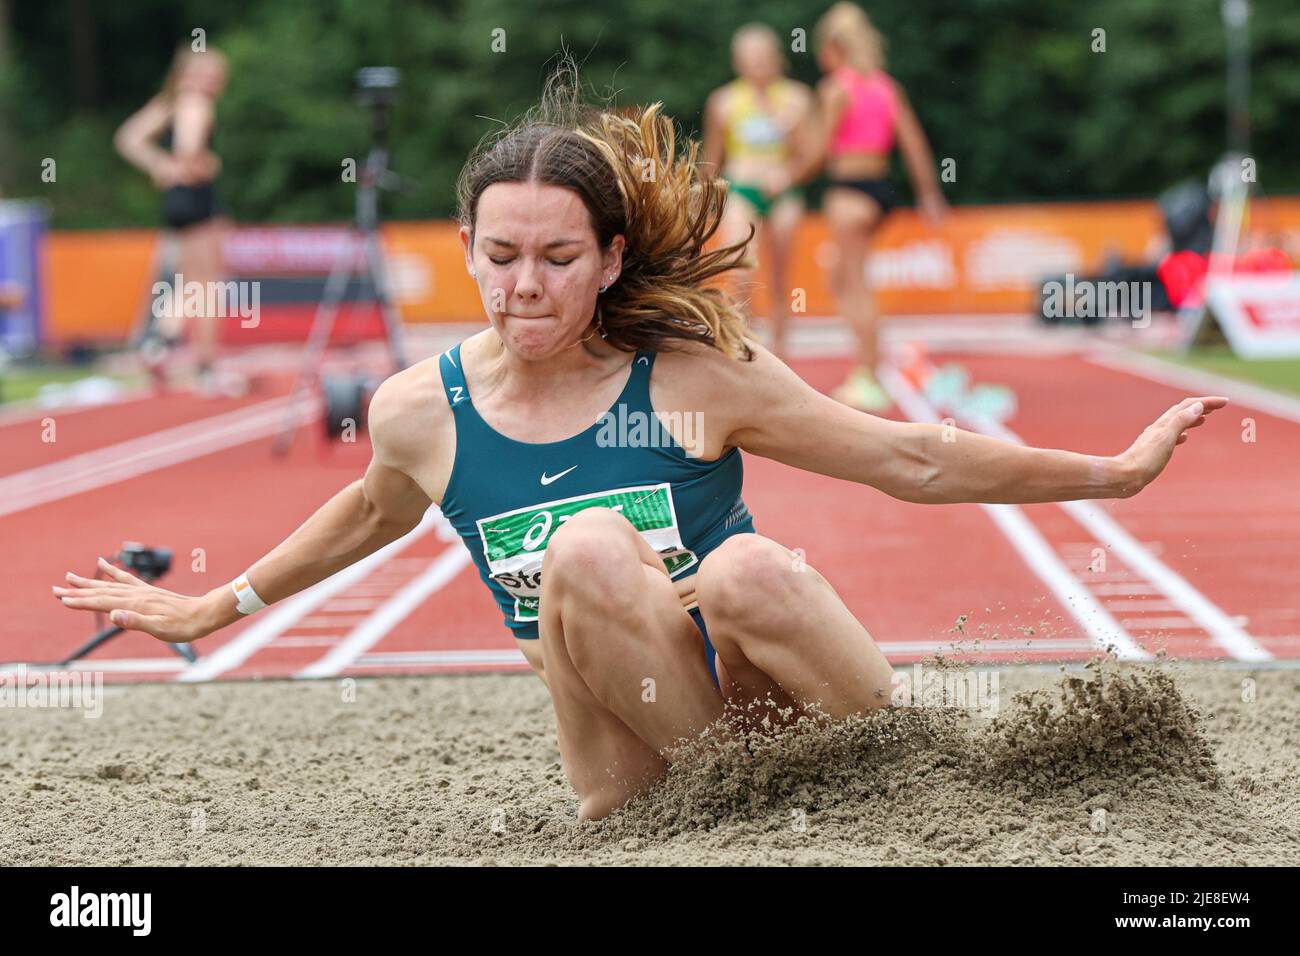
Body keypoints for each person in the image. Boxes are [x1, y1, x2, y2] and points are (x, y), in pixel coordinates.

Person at [56, 63, 1227, 822]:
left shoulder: (691, 378)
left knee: (747, 567)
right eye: (501, 256)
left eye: (557, 259)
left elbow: (907, 457)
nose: (524, 286)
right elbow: (369, 512)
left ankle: (918, 783)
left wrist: (1111, 473)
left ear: (611, 258)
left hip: (768, 720)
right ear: (466, 248)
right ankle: (742, 801)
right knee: (586, 548)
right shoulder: (421, 410)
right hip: (635, 777)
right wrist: (215, 608)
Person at [804, 3, 947, 410]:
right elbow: (915, 144)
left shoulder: (836, 88)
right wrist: (929, 194)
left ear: (832, 46)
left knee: (854, 283)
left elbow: (817, 152)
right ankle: (867, 368)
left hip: (848, 191)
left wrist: (785, 176)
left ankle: (867, 374)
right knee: (843, 279)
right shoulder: (886, 86)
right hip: (880, 191)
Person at [114, 44, 229, 394]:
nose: (216, 81)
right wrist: (197, 161)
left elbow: (128, 137)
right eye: (209, 73)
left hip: (177, 200)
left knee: (186, 282)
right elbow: (188, 146)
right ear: (190, 73)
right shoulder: (196, 102)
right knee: (208, 286)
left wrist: (159, 165)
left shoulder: (171, 101)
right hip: (196, 198)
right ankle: (207, 368)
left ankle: (159, 341)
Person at [702, 23, 816, 362]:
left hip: (783, 191)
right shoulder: (723, 102)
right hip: (741, 187)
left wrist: (789, 172)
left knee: (781, 275)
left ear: (776, 58)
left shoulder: (796, 98)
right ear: (738, 62)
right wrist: (704, 201)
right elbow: (712, 158)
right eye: (750, 59)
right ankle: (744, 344)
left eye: (763, 58)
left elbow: (810, 154)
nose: (757, 65)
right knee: (740, 268)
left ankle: (781, 352)